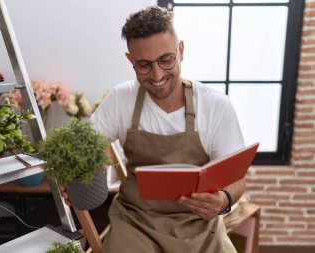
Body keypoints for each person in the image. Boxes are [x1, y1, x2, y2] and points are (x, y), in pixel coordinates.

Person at [71, 5, 245, 253]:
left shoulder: (215, 105)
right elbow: (82, 149)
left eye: (166, 59)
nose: (157, 74)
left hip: (199, 225)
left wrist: (224, 199)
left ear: (181, 51)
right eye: (143, 64)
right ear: (130, 60)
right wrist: (80, 171)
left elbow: (237, 178)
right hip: (136, 223)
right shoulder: (122, 99)